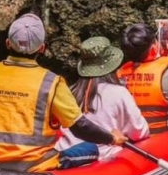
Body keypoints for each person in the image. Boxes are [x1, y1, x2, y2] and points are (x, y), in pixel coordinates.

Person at [0, 13, 127, 173]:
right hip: (33, 166)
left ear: (8, 44)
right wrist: (111, 138)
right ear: (42, 48)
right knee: (90, 148)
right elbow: (80, 127)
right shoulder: (52, 82)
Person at [56, 37, 151, 168]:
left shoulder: (70, 91)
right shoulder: (119, 92)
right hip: (98, 159)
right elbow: (140, 132)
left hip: (66, 154)